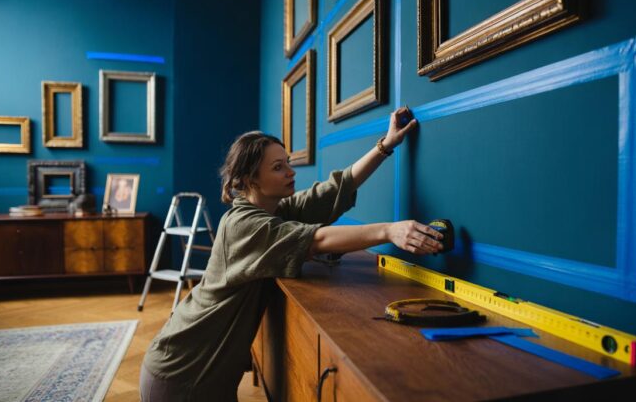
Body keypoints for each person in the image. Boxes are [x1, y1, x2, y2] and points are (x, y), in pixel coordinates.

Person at [140, 107, 444, 401]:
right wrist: (389, 231)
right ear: (249, 181)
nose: (290, 171)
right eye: (277, 167)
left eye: (287, 162)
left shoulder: (274, 210)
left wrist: (386, 145)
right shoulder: (244, 225)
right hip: (183, 374)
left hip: (204, 372)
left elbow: (332, 191)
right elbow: (315, 238)